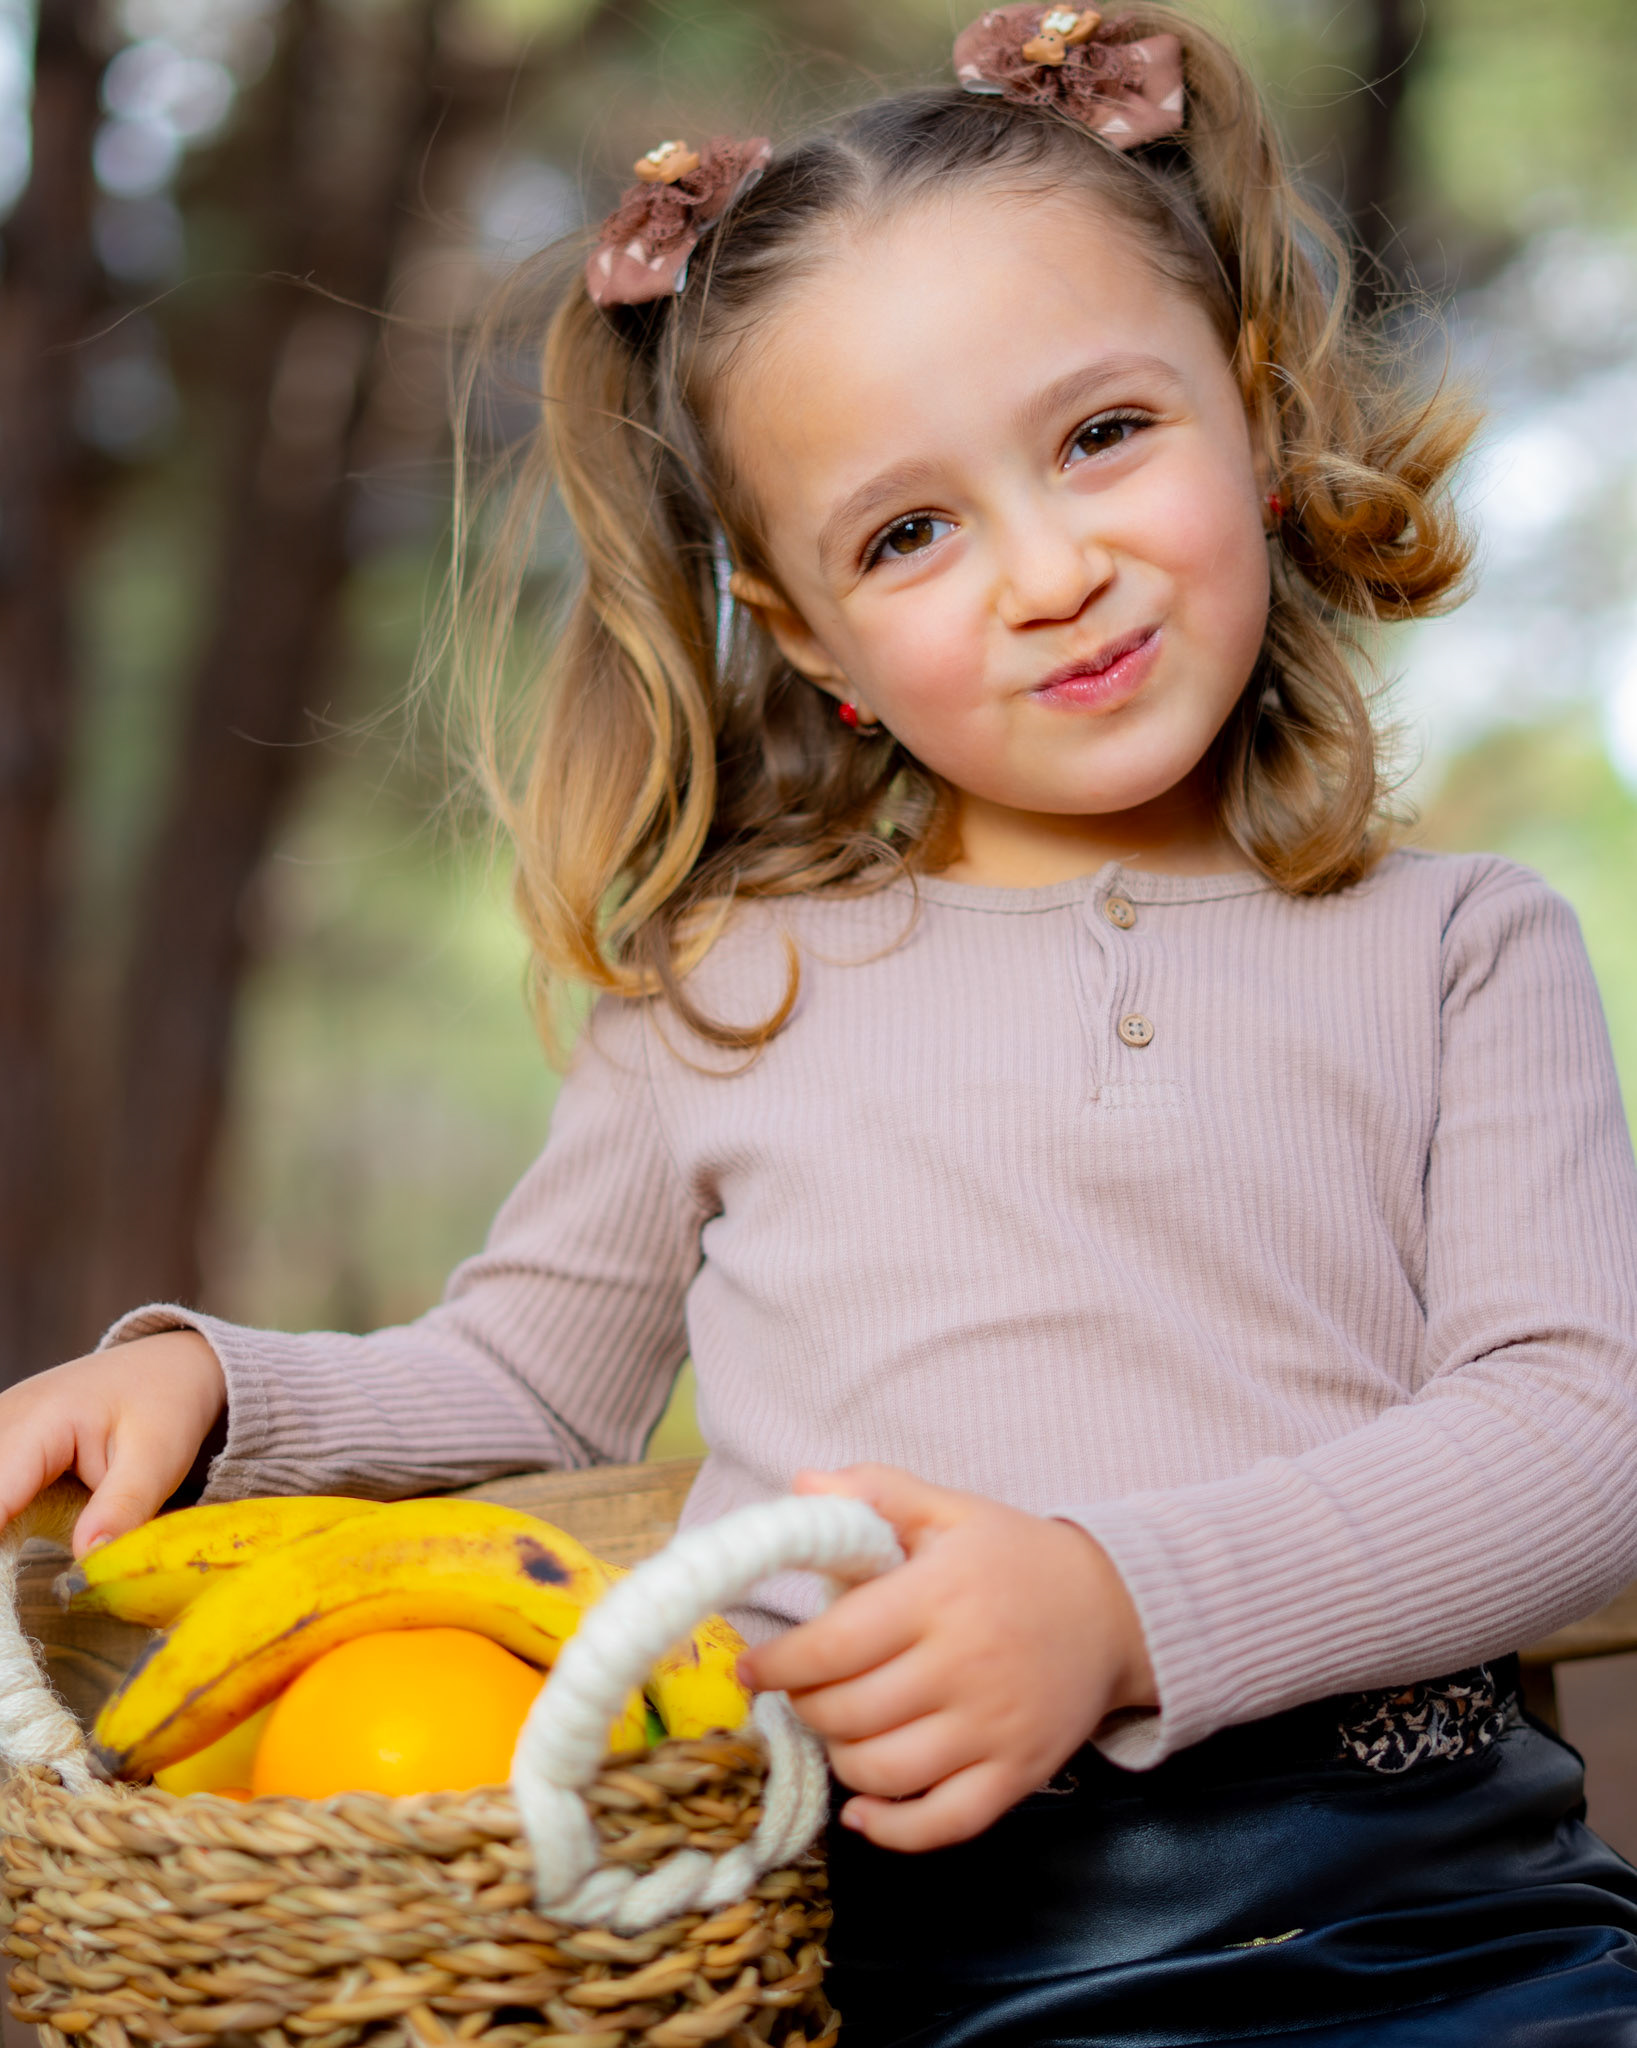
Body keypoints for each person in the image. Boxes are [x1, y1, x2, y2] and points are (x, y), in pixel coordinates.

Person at [5, 3, 1637, 2039]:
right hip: (906, 1958)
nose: (1053, 570)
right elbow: (526, 1374)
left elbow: (1576, 1434)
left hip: (1438, 1928)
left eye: (1103, 434)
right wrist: (220, 1397)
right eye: (909, 533)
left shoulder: (1461, 943)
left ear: (1246, 404)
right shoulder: (735, 990)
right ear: (808, 632)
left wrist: (1117, 1603)